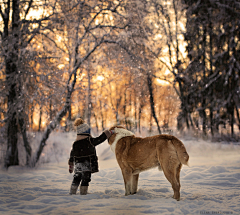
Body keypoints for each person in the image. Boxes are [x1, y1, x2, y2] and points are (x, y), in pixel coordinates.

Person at [68, 118, 115, 195]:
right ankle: (83, 192)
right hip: (87, 164)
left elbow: (72, 154)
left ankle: (72, 191)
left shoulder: (75, 143)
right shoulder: (89, 141)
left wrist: (71, 165)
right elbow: (100, 139)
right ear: (87, 132)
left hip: (78, 165)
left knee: (76, 177)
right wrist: (108, 133)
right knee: (85, 179)